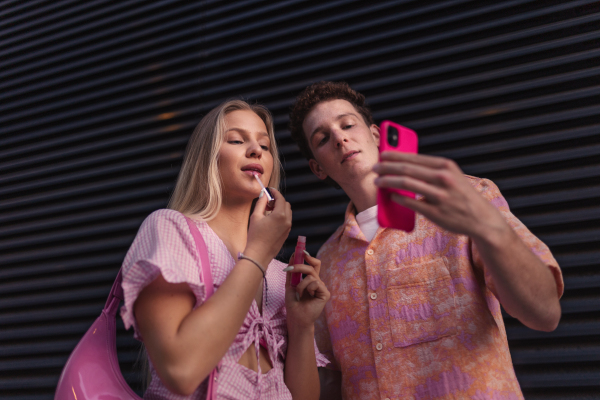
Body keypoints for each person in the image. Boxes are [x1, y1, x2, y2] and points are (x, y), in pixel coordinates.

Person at [288, 82, 563, 399]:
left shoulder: (465, 198)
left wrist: (490, 229)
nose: (339, 137)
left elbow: (545, 314)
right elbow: (332, 382)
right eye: (322, 138)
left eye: (347, 124)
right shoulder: (327, 263)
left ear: (376, 136)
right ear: (317, 168)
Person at [120, 100, 330, 399]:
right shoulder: (172, 230)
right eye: (236, 139)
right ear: (207, 158)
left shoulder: (279, 274)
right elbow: (180, 371)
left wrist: (302, 325)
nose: (256, 150)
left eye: (265, 145)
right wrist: (258, 253)